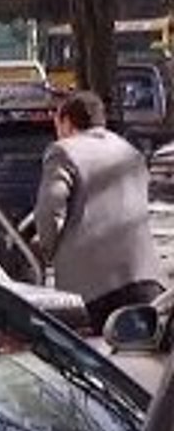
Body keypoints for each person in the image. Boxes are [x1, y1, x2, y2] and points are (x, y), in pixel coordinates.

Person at [34, 91, 165, 333]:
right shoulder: (130, 152)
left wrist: (48, 252)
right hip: (145, 278)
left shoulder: (63, 151)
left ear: (66, 121)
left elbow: (50, 211)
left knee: (96, 363)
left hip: (94, 288)